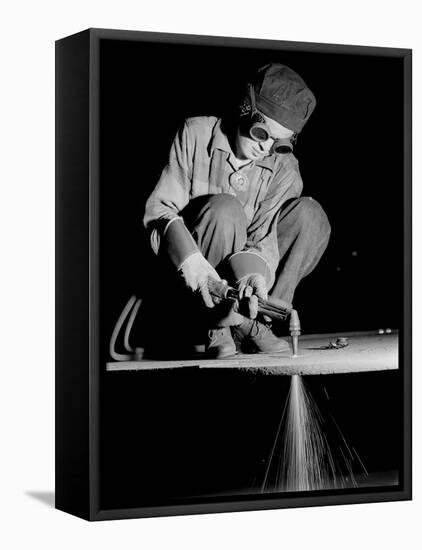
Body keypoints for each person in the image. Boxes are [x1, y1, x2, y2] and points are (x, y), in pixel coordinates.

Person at [143, 63, 331, 358]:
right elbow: (158, 213)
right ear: (246, 109)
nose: (266, 148)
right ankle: (215, 322)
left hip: (244, 283)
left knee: (311, 216)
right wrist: (193, 265)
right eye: (262, 133)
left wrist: (252, 277)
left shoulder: (286, 169)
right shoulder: (195, 134)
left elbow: (263, 240)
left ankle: (251, 319)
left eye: (279, 143)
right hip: (190, 283)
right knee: (225, 208)